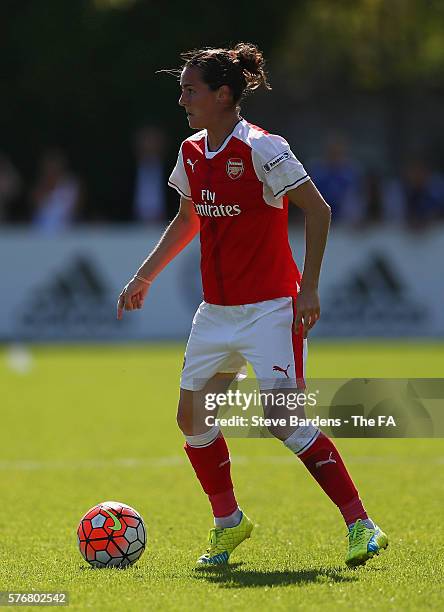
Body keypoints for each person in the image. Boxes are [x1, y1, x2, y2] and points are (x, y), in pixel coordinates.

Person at [117, 43, 388, 567]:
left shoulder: (263, 147)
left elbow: (318, 210)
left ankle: (363, 525)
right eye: (182, 91)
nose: (182, 100)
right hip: (215, 313)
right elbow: (188, 218)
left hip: (271, 310)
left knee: (284, 421)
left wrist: (307, 289)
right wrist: (144, 276)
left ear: (223, 95)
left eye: (190, 91)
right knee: (191, 418)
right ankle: (229, 525)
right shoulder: (192, 151)